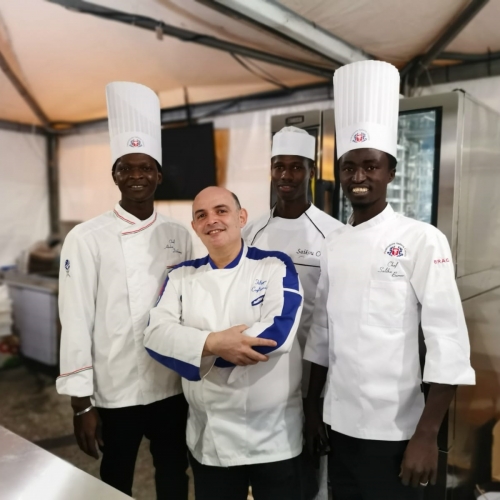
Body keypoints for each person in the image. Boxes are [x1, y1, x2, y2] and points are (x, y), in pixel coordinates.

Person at [304, 60, 476, 500]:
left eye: (370, 166)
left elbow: (448, 342)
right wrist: (313, 409)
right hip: (339, 423)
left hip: (398, 429)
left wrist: (427, 436)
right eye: (349, 168)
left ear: (390, 171)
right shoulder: (335, 242)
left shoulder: (421, 239)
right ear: (338, 172)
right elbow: (323, 331)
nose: (358, 178)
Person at [56, 82, 192, 498]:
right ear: (114, 174)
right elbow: (75, 319)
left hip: (170, 385)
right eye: (126, 168)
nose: (136, 176)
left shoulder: (178, 234)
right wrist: (81, 402)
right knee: (116, 478)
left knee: (173, 472)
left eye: (144, 167)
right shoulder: (86, 237)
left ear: (159, 175)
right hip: (116, 389)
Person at [144, 186, 305, 500]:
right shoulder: (181, 276)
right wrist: (214, 343)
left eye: (221, 211)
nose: (211, 220)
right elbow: (155, 335)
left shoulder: (275, 266)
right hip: (212, 438)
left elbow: (278, 332)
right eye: (201, 215)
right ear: (194, 227)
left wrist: (194, 347)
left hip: (274, 436)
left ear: (241, 217)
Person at [243, 126, 343, 499]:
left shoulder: (332, 234)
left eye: (296, 167)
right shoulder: (252, 233)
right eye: (278, 167)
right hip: (264, 374)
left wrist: (314, 402)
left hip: (313, 376)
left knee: (309, 471)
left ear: (311, 171)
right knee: (272, 472)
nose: (286, 176)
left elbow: (331, 315)